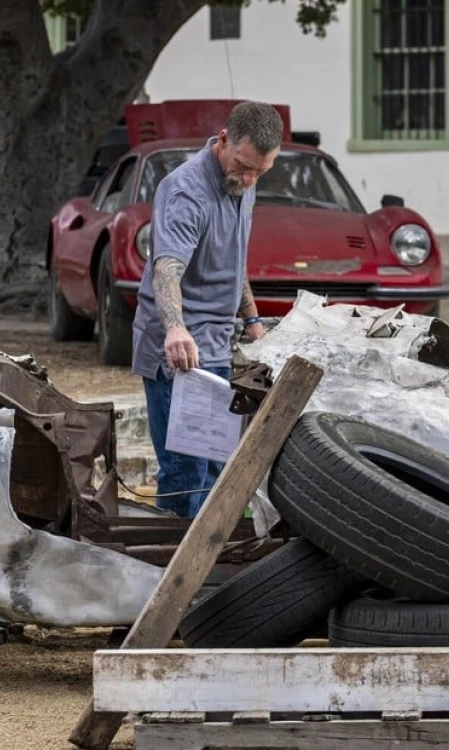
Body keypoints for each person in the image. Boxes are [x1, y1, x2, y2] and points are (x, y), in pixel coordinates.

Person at [132, 101, 283, 518]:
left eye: (260, 171)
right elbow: (166, 267)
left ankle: (210, 570)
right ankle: (171, 573)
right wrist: (175, 329)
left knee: (218, 465)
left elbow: (234, 262)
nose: (250, 178)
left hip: (216, 347)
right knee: (186, 470)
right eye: (243, 166)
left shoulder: (243, 186)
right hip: (179, 352)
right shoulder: (185, 191)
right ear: (222, 141)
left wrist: (252, 321)